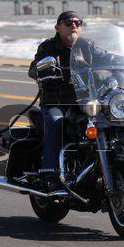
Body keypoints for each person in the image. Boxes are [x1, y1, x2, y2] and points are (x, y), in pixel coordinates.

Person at [28, 11, 83, 192]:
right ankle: (50, 174)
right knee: (56, 123)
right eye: (68, 23)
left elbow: (108, 59)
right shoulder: (48, 47)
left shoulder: (88, 47)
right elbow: (33, 69)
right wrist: (41, 71)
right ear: (58, 27)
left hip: (84, 103)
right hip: (56, 103)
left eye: (78, 23)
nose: (73, 26)